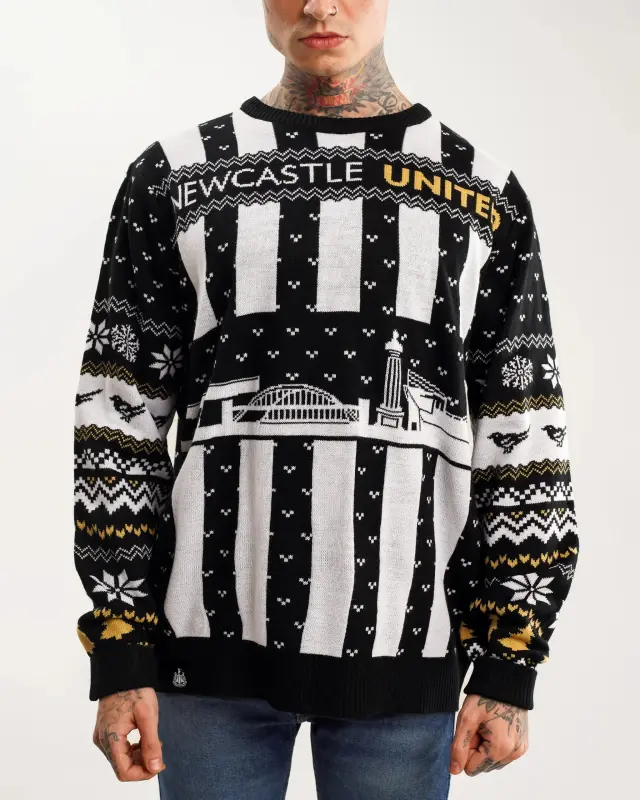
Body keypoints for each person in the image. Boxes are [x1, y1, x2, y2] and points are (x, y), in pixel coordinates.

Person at [72, 1, 580, 797]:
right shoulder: (172, 175)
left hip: (410, 651)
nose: (318, 5)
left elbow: (521, 423)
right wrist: (120, 645)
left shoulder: (483, 192)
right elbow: (118, 413)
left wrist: (511, 658)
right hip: (203, 653)